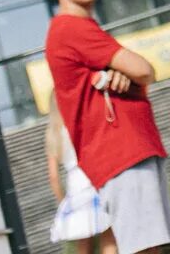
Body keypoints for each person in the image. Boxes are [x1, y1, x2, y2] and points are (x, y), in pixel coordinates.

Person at [44, 0, 170, 254]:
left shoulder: (82, 28)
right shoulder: (71, 28)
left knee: (145, 247)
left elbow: (140, 74)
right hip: (121, 153)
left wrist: (124, 78)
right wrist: (129, 75)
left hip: (124, 152)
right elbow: (145, 68)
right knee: (145, 248)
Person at [47, 103, 115, 254]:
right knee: (108, 234)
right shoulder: (81, 123)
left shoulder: (54, 133)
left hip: (75, 189)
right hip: (94, 179)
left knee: (83, 244)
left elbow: (53, 176)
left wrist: (63, 200)